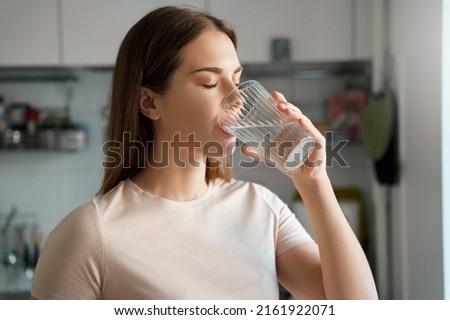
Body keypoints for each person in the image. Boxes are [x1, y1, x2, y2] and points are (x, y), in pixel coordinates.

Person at [31, 5, 378, 300]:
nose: (238, 98)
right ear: (150, 102)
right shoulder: (90, 235)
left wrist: (314, 182)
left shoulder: (261, 209)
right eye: (210, 83)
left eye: (237, 79)